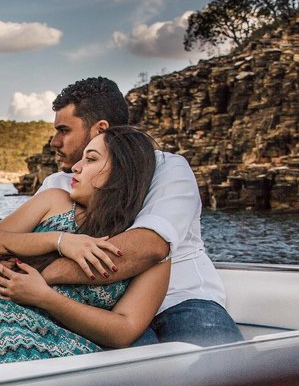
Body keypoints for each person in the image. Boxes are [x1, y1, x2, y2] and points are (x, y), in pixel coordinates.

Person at [22, 77, 242, 347]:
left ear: (99, 129)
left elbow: (147, 247)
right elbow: (14, 248)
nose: (54, 142)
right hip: (96, 309)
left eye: (64, 130)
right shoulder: (57, 184)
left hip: (180, 300)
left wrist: (45, 274)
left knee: (222, 372)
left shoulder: (166, 168)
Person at [0, 126, 171, 367]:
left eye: (91, 159)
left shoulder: (145, 248)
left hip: (70, 345)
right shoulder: (55, 201)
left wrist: (45, 297)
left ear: (121, 172)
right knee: (9, 355)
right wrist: (61, 241)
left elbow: (124, 330)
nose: (76, 167)